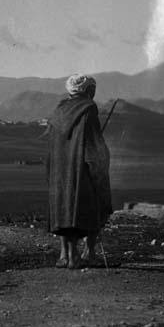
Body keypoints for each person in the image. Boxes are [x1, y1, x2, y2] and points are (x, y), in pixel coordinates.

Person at [47, 73, 113, 269]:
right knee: (95, 204)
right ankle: (88, 254)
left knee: (63, 210)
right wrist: (100, 165)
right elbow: (94, 144)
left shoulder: (59, 110)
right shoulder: (88, 108)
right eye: (93, 89)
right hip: (82, 169)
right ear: (88, 90)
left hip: (59, 171)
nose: (94, 93)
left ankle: (66, 256)